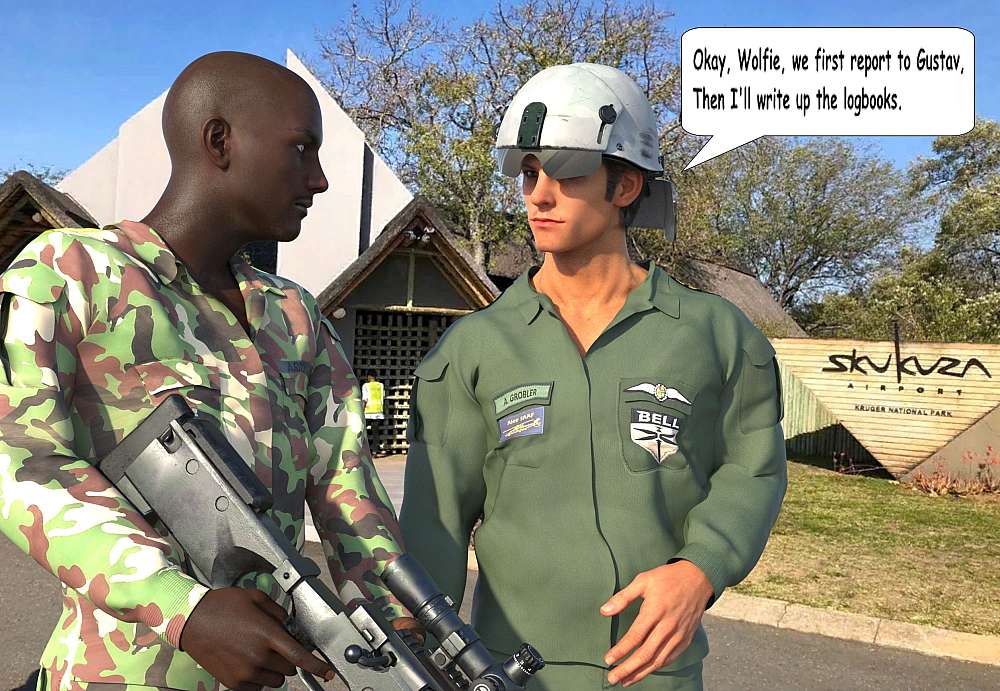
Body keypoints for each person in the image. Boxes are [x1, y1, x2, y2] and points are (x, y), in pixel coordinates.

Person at [0, 52, 417, 690]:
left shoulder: (294, 316)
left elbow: (346, 488)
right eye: (302, 149)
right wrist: (183, 608)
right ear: (219, 141)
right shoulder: (70, 275)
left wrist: (405, 633)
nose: (322, 179)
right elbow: (20, 462)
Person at [399, 63, 788, 690]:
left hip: (656, 672)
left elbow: (755, 468)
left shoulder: (717, 336)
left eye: (568, 172)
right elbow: (434, 523)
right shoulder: (470, 350)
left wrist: (701, 569)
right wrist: (419, 655)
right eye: (528, 173)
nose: (539, 194)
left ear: (626, 186)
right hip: (504, 673)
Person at [362, 371, 386, 455]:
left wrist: (362, 410)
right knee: (375, 432)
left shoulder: (366, 386)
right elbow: (383, 397)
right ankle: (375, 450)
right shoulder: (381, 385)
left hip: (368, 412)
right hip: (378, 412)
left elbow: (365, 399)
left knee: (363, 431)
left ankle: (364, 449)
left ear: (368, 376)